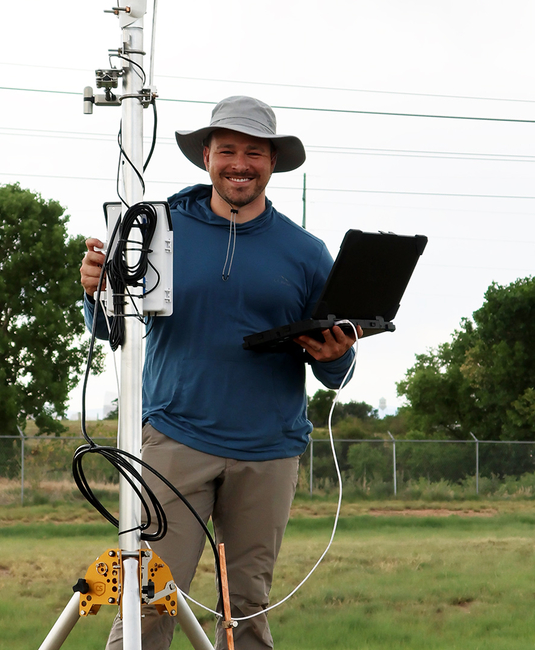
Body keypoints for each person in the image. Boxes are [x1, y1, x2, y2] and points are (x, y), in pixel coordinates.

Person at [80, 95, 359, 650]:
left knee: (248, 605)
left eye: (253, 153)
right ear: (206, 156)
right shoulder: (159, 229)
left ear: (272, 163)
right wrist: (94, 290)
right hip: (174, 438)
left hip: (269, 450)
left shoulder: (306, 253)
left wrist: (336, 355)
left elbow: (337, 367)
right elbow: (112, 327)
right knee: (149, 598)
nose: (240, 163)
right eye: (227, 150)